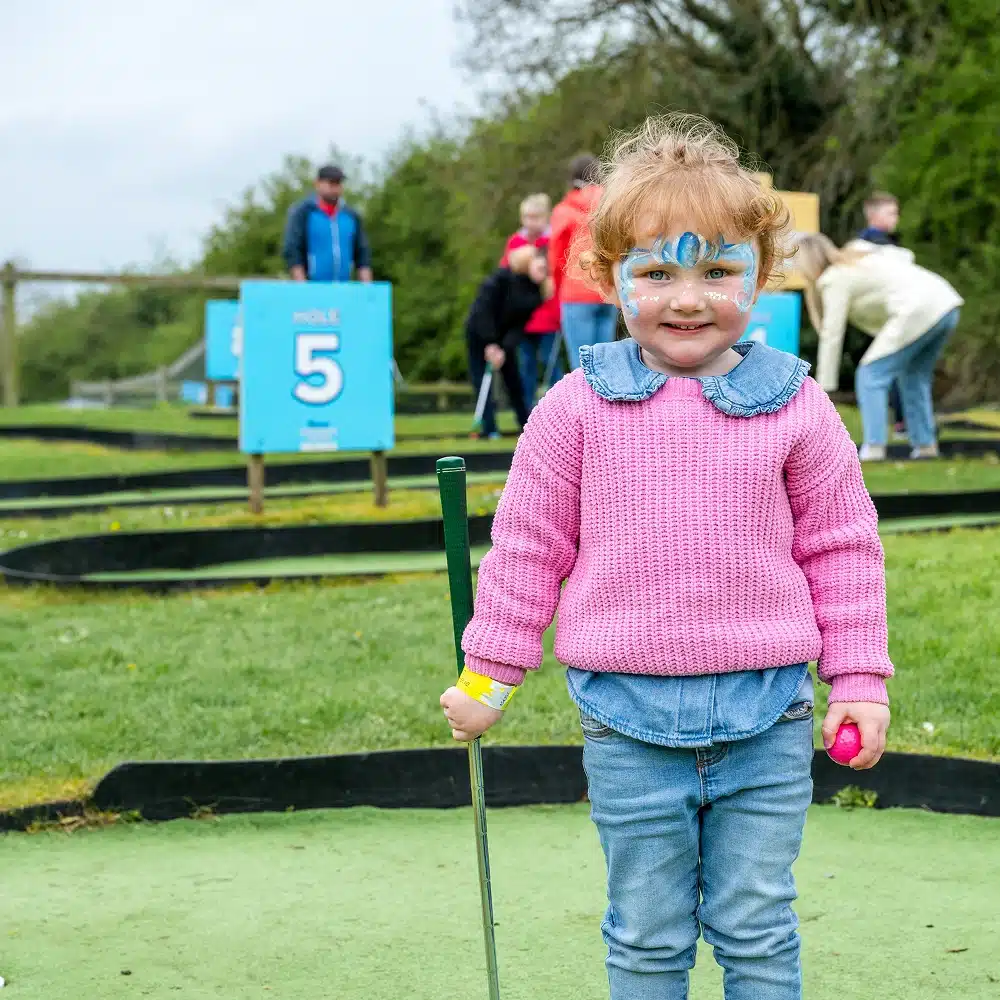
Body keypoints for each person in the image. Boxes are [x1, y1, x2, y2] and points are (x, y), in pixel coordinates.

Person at [441, 114, 893, 1000]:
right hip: (626, 722)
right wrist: (489, 675)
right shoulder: (574, 409)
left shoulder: (797, 408)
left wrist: (861, 682)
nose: (688, 298)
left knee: (756, 926)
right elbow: (529, 549)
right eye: (657, 273)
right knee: (646, 935)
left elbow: (843, 548)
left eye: (718, 271)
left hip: (769, 714)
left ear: (760, 278)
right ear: (612, 280)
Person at [797, 233, 963, 461]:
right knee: (914, 377)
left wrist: (825, 385)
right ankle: (925, 446)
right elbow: (906, 254)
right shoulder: (860, 256)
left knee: (870, 374)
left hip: (917, 311)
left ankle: (874, 448)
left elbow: (832, 334)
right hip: (945, 303)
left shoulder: (834, 279)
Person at [465, 246, 550, 439]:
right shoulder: (500, 280)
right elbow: (483, 311)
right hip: (480, 333)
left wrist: (503, 348)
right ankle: (489, 428)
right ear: (526, 264)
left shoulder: (535, 294)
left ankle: (527, 424)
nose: (543, 271)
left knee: (513, 380)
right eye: (539, 266)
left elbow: (518, 326)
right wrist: (490, 343)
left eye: (545, 269)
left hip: (504, 340)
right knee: (481, 379)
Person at [549, 153, 619, 367]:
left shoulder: (564, 211)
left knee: (581, 367)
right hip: (607, 292)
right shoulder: (611, 208)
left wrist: (558, 290)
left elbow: (557, 259)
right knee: (604, 363)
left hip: (576, 294)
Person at [500, 193, 563, 413]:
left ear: (545, 217)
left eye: (535, 217)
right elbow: (505, 273)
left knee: (551, 363)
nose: (530, 222)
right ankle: (526, 413)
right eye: (526, 217)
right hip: (522, 317)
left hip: (548, 315)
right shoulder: (515, 242)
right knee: (526, 366)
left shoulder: (553, 241)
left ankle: (560, 411)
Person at [852, 191, 906, 436]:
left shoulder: (887, 242)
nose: (896, 218)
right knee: (889, 372)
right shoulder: (867, 246)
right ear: (873, 215)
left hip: (893, 314)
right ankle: (896, 425)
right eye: (891, 213)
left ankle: (901, 421)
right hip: (885, 316)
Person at [282, 165, 373, 282]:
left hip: (343, 288)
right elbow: (292, 249)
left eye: (338, 184)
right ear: (317, 184)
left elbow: (362, 253)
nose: (335, 189)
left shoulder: (351, 215)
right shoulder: (303, 213)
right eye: (331, 183)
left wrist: (368, 289)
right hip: (312, 287)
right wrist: (302, 287)